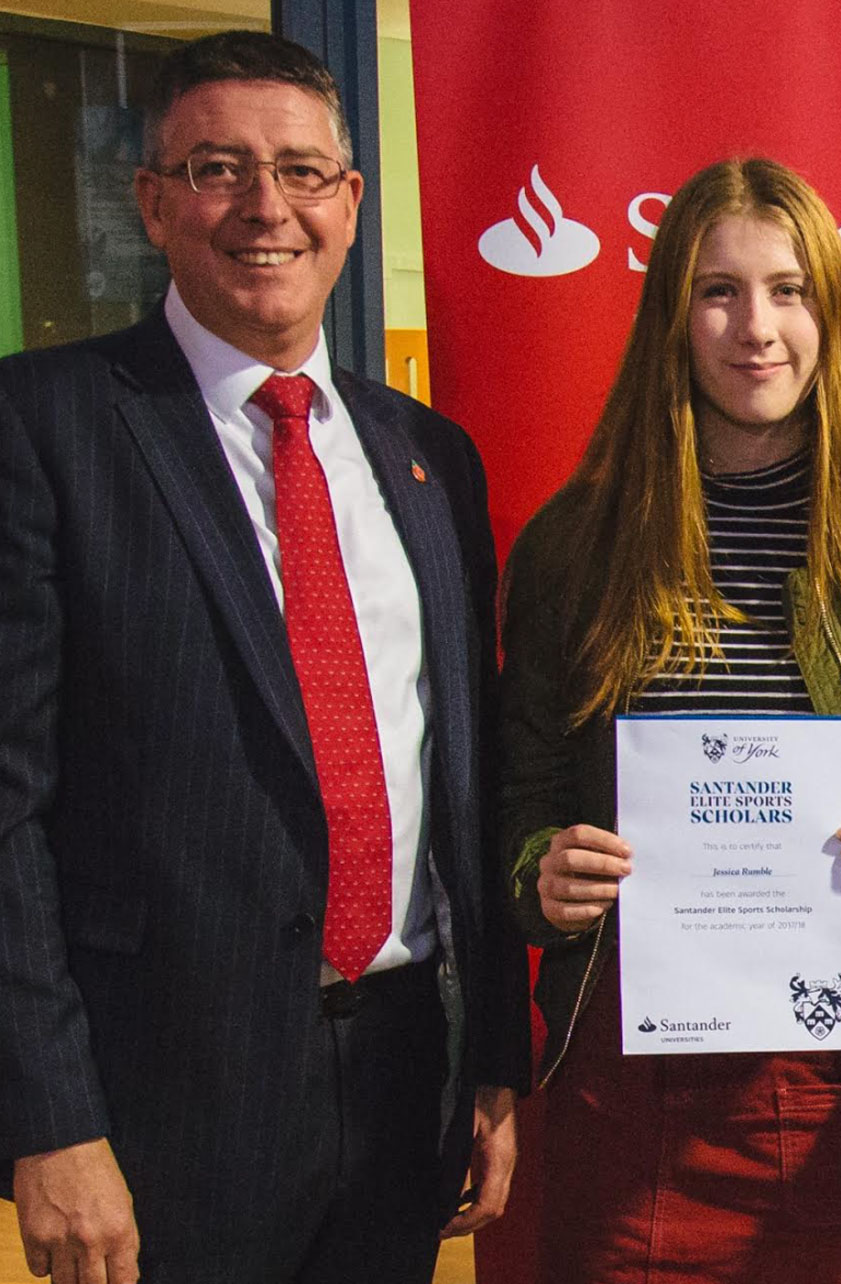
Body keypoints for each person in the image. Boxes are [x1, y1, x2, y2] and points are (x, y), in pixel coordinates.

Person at [0, 29, 525, 1284]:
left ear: (350, 201)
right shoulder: (41, 427)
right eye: (217, 168)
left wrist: (492, 1058)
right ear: (152, 201)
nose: (265, 206)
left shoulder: (431, 456)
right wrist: (47, 1119)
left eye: (300, 171)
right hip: (154, 1104)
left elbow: (463, 776)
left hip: (404, 1076)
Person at [496, 156, 841, 1282]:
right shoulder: (573, 548)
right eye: (718, 291)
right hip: (632, 1088)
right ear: (671, 315)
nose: (756, 328)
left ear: (831, 316)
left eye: (788, 290)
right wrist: (541, 874)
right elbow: (518, 800)